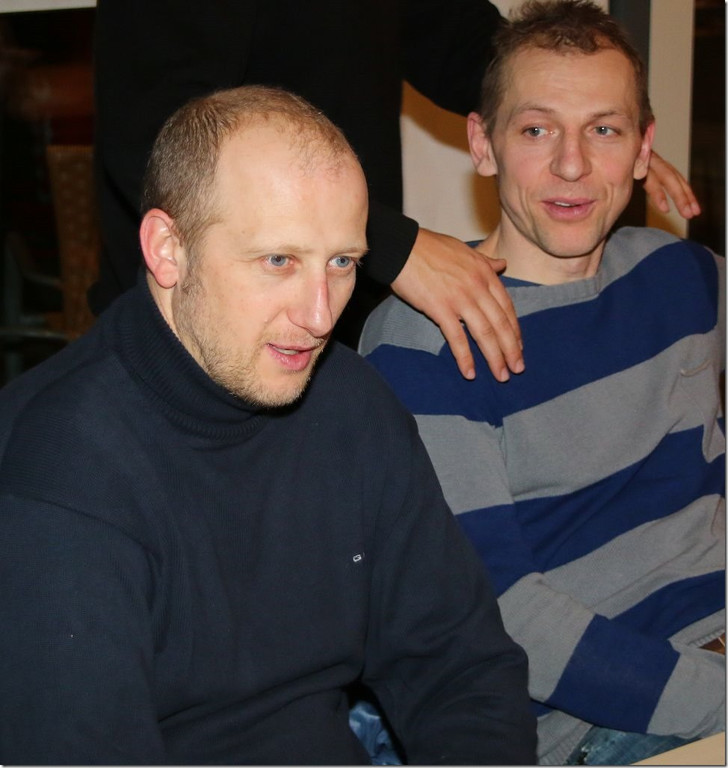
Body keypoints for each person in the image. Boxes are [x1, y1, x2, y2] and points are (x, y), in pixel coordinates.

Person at [0, 85, 536, 765]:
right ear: (167, 249)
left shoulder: (349, 402)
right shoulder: (57, 474)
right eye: (279, 260)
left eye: (342, 263)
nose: (320, 315)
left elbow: (460, 668)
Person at [359, 1, 725, 764]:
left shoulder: (681, 276)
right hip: (609, 721)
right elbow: (505, 617)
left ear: (643, 149)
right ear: (482, 144)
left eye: (604, 130)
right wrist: (715, 695)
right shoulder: (428, 337)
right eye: (536, 130)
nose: (572, 165)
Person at [92, 0, 699, 384]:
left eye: (608, 132)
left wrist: (590, 128)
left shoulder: (687, 278)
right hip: (191, 342)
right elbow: (157, 133)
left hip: (336, 315)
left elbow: (458, 40)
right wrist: (387, 244)